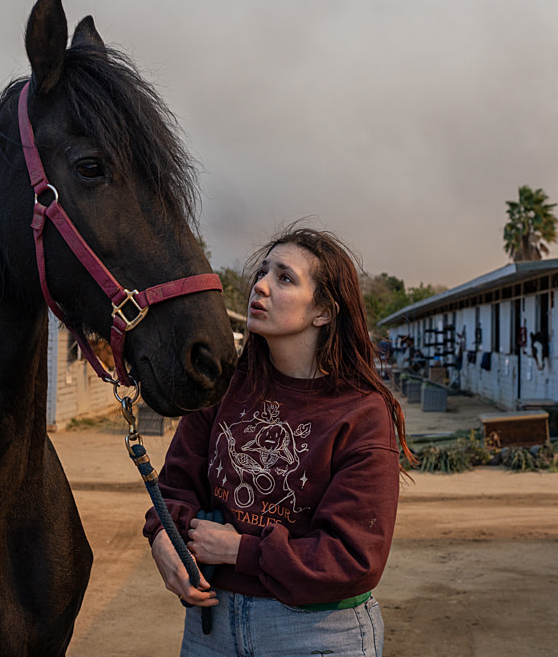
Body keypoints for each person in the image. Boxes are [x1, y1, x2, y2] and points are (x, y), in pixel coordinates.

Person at [144, 227, 415, 657]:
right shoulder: (225, 388)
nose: (261, 286)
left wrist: (240, 551)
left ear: (323, 311)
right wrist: (163, 536)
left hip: (316, 632)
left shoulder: (362, 414)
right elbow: (176, 486)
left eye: (285, 278)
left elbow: (354, 557)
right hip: (212, 627)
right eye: (262, 273)